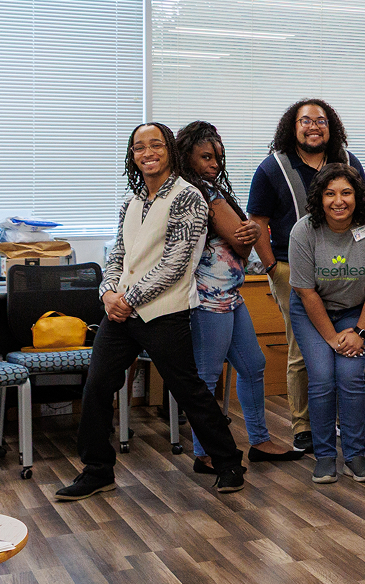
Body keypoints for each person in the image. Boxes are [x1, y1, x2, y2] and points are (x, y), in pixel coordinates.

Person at [55, 122, 245, 501]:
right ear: (132, 156)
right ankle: (97, 470)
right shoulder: (132, 200)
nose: (148, 152)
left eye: (155, 144)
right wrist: (108, 292)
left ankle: (228, 464)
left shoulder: (188, 196)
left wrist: (128, 298)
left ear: (170, 151)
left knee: (188, 390)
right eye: (139, 147)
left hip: (164, 312)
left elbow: (176, 262)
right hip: (121, 313)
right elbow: (119, 255)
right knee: (96, 386)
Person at [173, 121, 301, 475]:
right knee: (207, 375)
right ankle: (205, 452)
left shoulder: (212, 189)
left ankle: (259, 441)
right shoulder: (197, 193)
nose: (214, 163)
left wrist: (249, 234)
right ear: (186, 157)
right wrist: (251, 234)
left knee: (253, 365)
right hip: (206, 298)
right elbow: (242, 239)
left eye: (218, 157)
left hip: (230, 294)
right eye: (205, 156)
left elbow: (243, 242)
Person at [248, 98, 365, 454]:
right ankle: (304, 424)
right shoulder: (273, 168)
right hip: (291, 269)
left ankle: (346, 421)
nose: (313, 127)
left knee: (347, 343)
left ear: (331, 127)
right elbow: (257, 223)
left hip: (347, 271)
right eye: (306, 121)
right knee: (303, 349)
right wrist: (272, 269)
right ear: (293, 126)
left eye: (321, 120)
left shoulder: (348, 163)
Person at [289, 164, 365, 484]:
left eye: (346, 192)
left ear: (357, 196)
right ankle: (323, 456)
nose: (339, 200)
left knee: (350, 375)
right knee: (322, 376)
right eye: (330, 193)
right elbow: (305, 293)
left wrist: (360, 331)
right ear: (319, 198)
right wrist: (333, 338)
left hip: (355, 310)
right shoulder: (303, 231)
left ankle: (354, 455)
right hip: (312, 311)